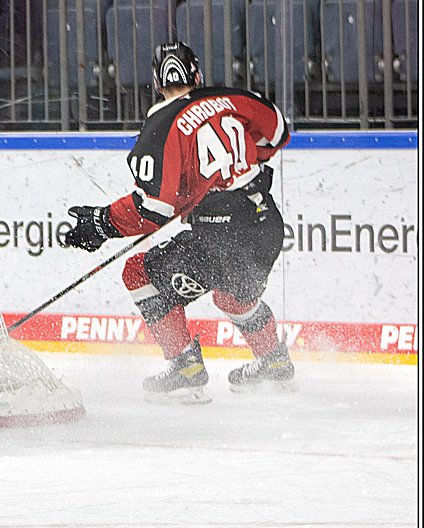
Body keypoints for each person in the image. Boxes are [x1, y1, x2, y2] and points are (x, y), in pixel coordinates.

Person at [63, 42, 295, 403]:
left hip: (222, 235)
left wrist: (102, 223)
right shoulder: (232, 97)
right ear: (197, 75)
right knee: (233, 294)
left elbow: (153, 208)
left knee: (138, 273)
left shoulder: (163, 121)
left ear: (157, 82)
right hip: (266, 225)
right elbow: (278, 134)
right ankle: (274, 363)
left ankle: (185, 369)